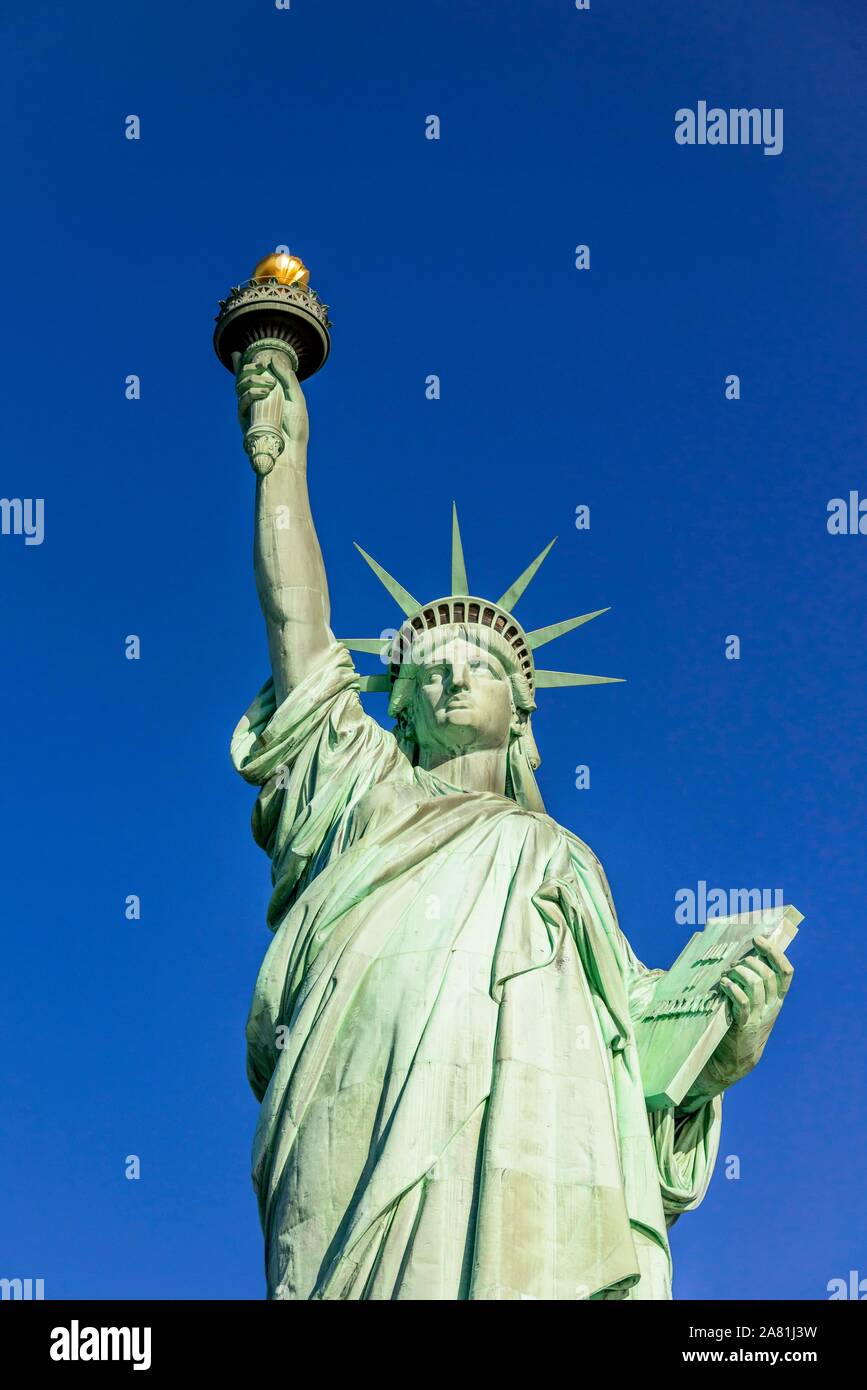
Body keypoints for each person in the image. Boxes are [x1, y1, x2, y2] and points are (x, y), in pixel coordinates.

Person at [230, 349, 794, 1301]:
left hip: (542, 1153)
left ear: (519, 712)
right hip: (357, 1112)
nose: (453, 676)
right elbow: (300, 635)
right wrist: (283, 468)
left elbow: (635, 1058)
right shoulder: (363, 793)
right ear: (395, 710)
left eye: (478, 666)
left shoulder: (561, 859)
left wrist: (716, 1048)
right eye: (428, 670)